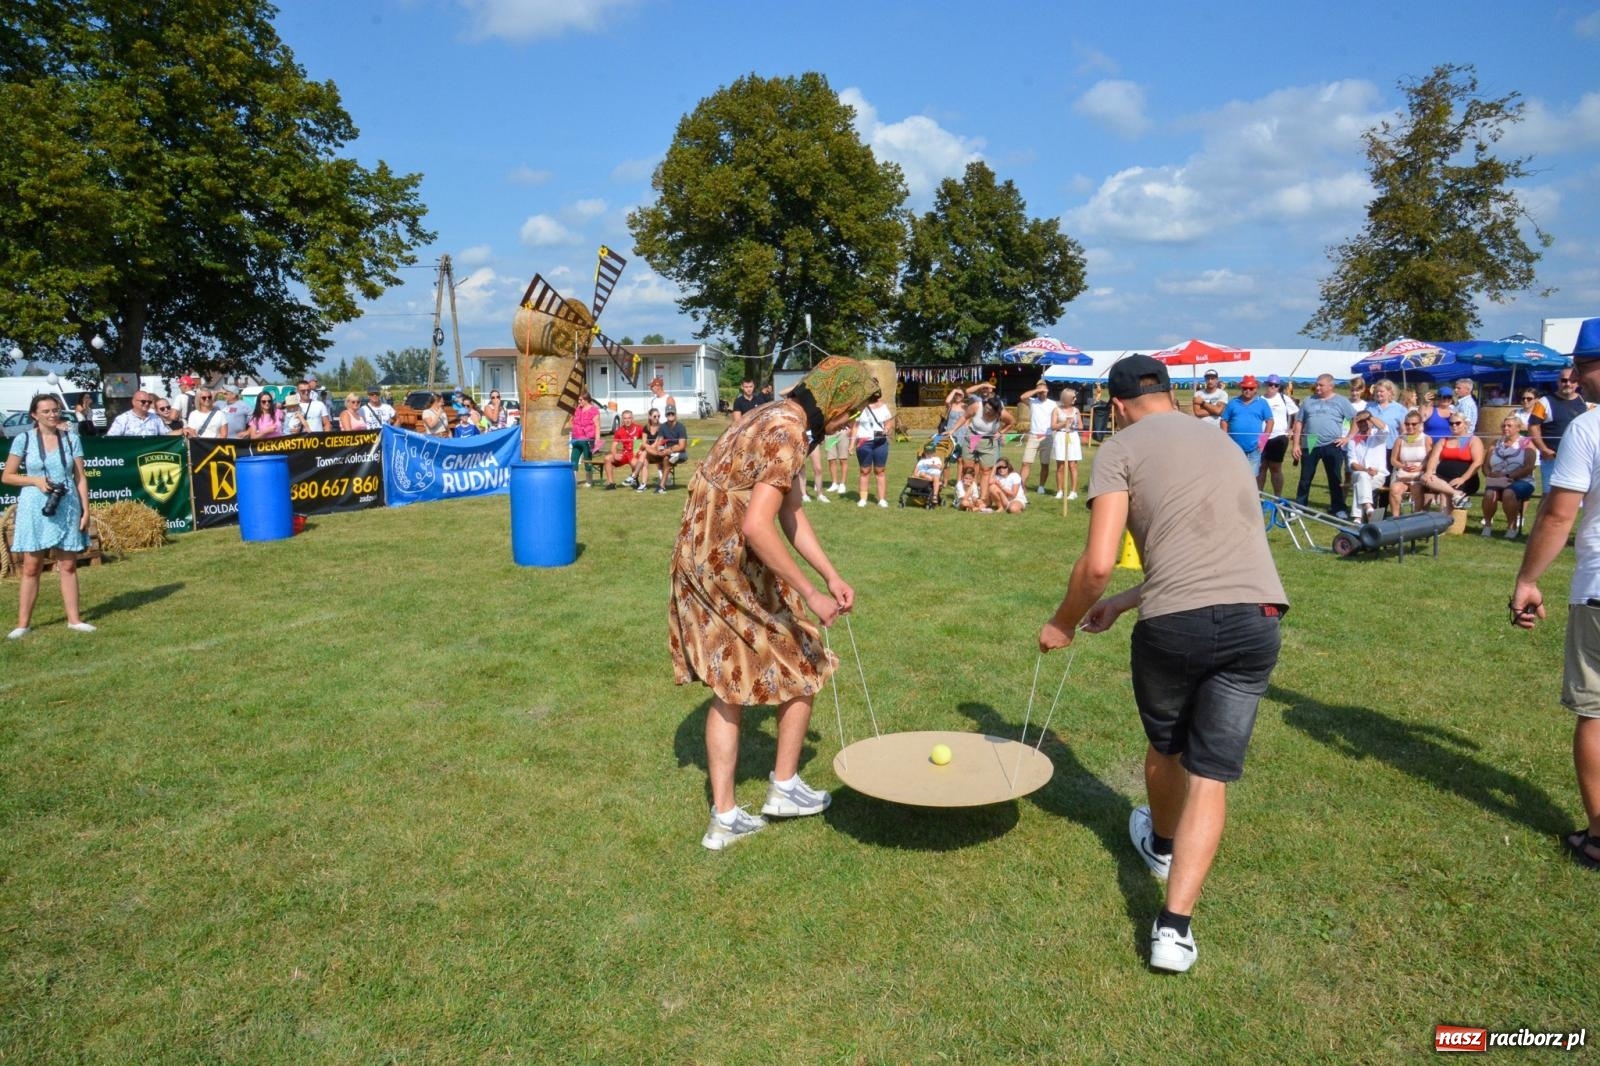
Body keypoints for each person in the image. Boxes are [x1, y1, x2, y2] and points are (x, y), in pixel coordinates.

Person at [1037, 353, 1287, 974]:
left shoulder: (1119, 448)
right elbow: (1206, 553)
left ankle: (1163, 842)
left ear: (1117, 406)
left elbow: (1097, 563)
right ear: (1171, 394)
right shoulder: (1225, 441)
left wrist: (1062, 623)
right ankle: (1174, 930)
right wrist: (1123, 603)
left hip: (1175, 626)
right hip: (1259, 618)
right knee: (1212, 773)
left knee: (1169, 751)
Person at [669, 356, 875, 850]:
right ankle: (783, 789)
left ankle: (724, 817)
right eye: (852, 411)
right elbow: (757, 525)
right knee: (807, 654)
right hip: (728, 566)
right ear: (835, 400)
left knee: (729, 680)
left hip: (700, 561)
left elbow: (791, 513)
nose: (850, 423)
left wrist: (831, 574)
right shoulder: (788, 432)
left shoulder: (774, 415)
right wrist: (811, 595)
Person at [1509, 317, 1600, 872]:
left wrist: (1527, 580)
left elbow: (1559, 512)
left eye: (1585, 364)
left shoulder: (1589, 430)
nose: (1576, 375)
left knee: (1596, 714)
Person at [3, 395, 95, 639]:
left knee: (68, 564)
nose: (52, 415)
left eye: (55, 410)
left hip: (67, 505)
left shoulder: (71, 438)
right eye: (46, 411)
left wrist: (86, 510)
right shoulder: (23, 440)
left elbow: (80, 477)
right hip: (34, 505)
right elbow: (7, 476)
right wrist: (35, 480)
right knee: (32, 566)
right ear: (34, 415)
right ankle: (23, 624)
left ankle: (74, 620)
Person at [1292, 374, 1357, 517]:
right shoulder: (1308, 401)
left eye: (1321, 385)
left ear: (1330, 386)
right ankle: (1300, 506)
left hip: (1332, 442)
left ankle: (1338, 508)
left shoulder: (1341, 401)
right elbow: (1299, 422)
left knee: (1334, 477)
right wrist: (1296, 444)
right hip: (1311, 440)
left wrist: (1347, 438)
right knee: (1305, 477)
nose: (1317, 387)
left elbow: (1355, 419)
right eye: (1317, 384)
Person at [1529, 369, 1588, 494]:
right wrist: (1544, 450)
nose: (1568, 383)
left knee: (1578, 497)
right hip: (1553, 459)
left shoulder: (1586, 403)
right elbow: (1533, 427)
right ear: (1558, 382)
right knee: (1549, 497)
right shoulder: (1544, 402)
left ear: (1578, 383)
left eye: (1573, 380)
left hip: (1580, 459)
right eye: (1564, 380)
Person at [1481, 415, 1537, 539]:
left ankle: (1512, 527)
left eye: (1509, 426)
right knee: (1490, 494)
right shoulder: (1495, 443)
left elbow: (1529, 467)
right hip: (1497, 480)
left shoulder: (1526, 443)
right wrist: (1490, 474)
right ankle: (1487, 525)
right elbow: (1485, 466)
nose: (1505, 428)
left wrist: (1509, 475)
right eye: (1504, 426)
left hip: (1522, 480)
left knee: (1509, 493)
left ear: (1518, 428)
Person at [1417, 411, 1485, 513]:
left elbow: (1478, 462)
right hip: (1442, 477)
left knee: (1445, 493)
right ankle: (1456, 494)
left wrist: (1462, 478)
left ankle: (1445, 520)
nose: (1454, 425)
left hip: (1465, 479)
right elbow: (1433, 458)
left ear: (1465, 424)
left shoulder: (1473, 440)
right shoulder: (1443, 440)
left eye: (1458, 423)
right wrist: (1429, 472)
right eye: (1451, 423)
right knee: (1424, 478)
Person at [1219, 375, 1273, 477]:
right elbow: (1224, 420)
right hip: (1235, 448)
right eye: (1245, 388)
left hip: (1254, 449)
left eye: (1251, 388)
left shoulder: (1262, 403)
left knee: (1252, 478)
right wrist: (1225, 438)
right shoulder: (1233, 403)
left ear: (1255, 389)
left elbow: (1270, 421)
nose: (1248, 390)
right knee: (1235, 476)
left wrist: (1263, 439)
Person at [1344, 408, 1389, 522]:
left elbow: (1384, 428)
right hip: (1359, 474)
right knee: (1362, 476)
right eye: (1360, 421)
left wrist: (1369, 416)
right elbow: (1352, 464)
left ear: (1370, 421)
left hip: (1377, 476)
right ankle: (1369, 508)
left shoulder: (1378, 436)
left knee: (1359, 485)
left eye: (1366, 420)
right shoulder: (1353, 440)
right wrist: (1365, 470)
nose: (1363, 423)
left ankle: (1357, 518)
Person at [965, 391, 1012, 499]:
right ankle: (969, 493)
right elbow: (965, 416)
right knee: (969, 467)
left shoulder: (1001, 413)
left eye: (990, 409)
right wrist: (953, 430)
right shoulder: (977, 406)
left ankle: (983, 498)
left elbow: (1011, 422)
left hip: (988, 441)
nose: (987, 410)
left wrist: (1001, 432)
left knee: (986, 470)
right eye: (987, 407)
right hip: (973, 437)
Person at [852, 390, 894, 508]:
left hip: (880, 441)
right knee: (864, 471)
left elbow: (889, 423)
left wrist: (886, 429)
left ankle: (881, 499)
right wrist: (851, 444)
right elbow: (854, 426)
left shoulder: (883, 406)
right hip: (864, 442)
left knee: (880, 470)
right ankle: (863, 499)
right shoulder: (858, 407)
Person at [1258, 375, 1298, 494]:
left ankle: (1278, 497)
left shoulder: (1284, 399)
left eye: (1276, 385)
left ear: (1279, 387)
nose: (1273, 387)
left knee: (1275, 468)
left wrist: (1292, 429)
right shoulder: (1259, 399)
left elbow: (1297, 414)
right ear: (1266, 385)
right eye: (1270, 384)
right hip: (1262, 436)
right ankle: (1259, 497)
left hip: (1279, 437)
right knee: (1261, 468)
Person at [1390, 411, 1432, 517]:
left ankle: (1416, 516)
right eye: (1407, 424)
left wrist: (1420, 467)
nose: (1410, 426)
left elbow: (1430, 458)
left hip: (1419, 473)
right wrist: (1403, 466)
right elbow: (1393, 460)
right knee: (1394, 489)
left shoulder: (1426, 439)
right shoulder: (1400, 440)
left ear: (1420, 424)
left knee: (1416, 488)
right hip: (1404, 473)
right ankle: (1396, 517)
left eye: (1414, 424)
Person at [1018, 383, 1057, 494]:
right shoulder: (1032, 401)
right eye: (1040, 391)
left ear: (1047, 391)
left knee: (1045, 463)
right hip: (1033, 436)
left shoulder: (1053, 404)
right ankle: (1022, 485)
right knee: (1026, 462)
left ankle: (1041, 486)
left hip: (1047, 436)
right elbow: (1022, 397)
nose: (1041, 393)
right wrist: (1036, 390)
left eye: (1043, 391)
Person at [1051, 388, 1083, 500]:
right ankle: (1059, 490)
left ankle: (1073, 491)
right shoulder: (1056, 410)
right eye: (1073, 397)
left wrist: (1072, 426)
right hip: (1060, 436)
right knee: (1060, 466)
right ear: (1067, 398)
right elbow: (1053, 426)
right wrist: (1065, 423)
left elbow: (1081, 426)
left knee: (1072, 465)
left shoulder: (1076, 410)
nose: (1075, 399)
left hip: (1072, 437)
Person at [564, 392, 601, 487]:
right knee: (573, 460)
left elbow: (597, 425)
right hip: (576, 439)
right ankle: (574, 481)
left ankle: (589, 481)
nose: (579, 401)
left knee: (587, 460)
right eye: (579, 399)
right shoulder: (578, 409)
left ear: (586, 400)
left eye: (581, 400)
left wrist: (597, 440)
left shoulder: (594, 410)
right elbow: (573, 422)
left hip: (588, 439)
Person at [602, 410, 644, 489]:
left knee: (634, 462)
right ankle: (611, 483)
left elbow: (646, 441)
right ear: (622, 419)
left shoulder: (639, 428)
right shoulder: (619, 431)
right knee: (607, 458)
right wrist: (615, 455)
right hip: (625, 453)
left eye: (629, 418)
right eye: (625, 418)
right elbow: (614, 446)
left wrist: (641, 449)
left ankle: (634, 480)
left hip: (635, 453)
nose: (627, 420)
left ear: (632, 418)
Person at [651, 408, 689, 493]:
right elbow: (659, 442)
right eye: (669, 414)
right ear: (665, 415)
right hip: (667, 453)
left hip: (681, 454)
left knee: (666, 459)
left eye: (672, 414)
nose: (671, 415)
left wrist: (670, 450)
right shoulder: (663, 427)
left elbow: (682, 446)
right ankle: (660, 484)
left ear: (676, 415)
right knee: (660, 457)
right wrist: (660, 450)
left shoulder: (681, 427)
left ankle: (662, 485)